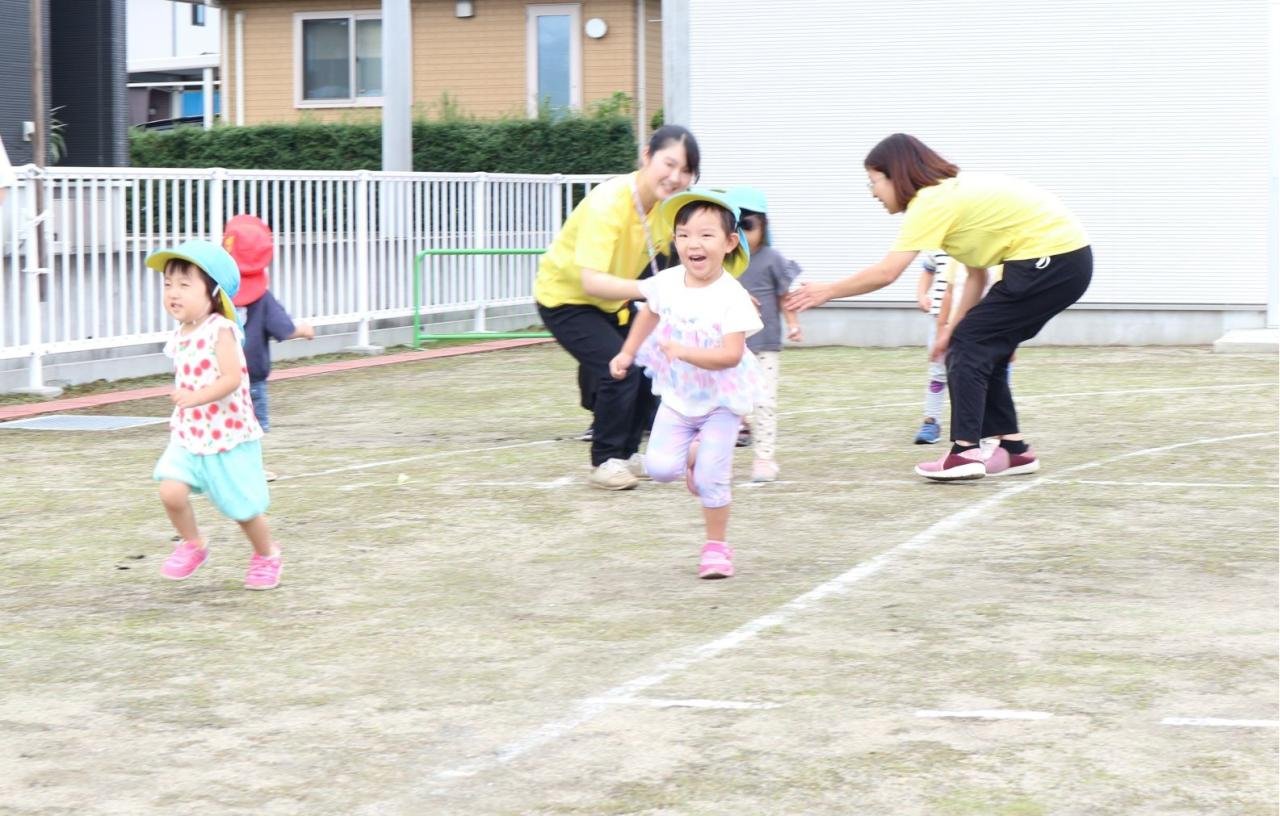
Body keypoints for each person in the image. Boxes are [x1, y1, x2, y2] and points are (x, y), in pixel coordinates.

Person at [786, 133, 1091, 481]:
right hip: (1063, 261)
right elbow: (976, 274)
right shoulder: (949, 198)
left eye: (874, 182)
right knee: (979, 344)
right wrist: (949, 330)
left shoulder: (930, 202)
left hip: (1051, 258)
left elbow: (888, 273)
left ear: (896, 175)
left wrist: (827, 291)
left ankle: (965, 452)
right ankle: (1013, 448)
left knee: (972, 344)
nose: (873, 193)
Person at [583, 188, 761, 579]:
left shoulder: (733, 296)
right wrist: (627, 353)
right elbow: (648, 314)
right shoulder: (666, 282)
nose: (692, 243)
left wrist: (682, 351)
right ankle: (693, 455)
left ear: (730, 242)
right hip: (679, 396)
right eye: (683, 234)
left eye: (705, 234)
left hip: (721, 400)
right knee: (661, 469)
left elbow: (731, 355)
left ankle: (716, 548)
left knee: (713, 477)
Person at [534, 125, 700, 490]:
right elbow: (591, 280)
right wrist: (649, 290)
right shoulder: (607, 202)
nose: (675, 177)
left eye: (685, 170)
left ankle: (626, 455)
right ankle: (604, 460)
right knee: (617, 367)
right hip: (565, 299)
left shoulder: (667, 210)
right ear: (646, 156)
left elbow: (682, 263)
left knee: (647, 365)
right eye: (668, 164)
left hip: (614, 302)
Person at [147, 240, 283, 590]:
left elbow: (233, 378)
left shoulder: (220, 331)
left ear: (213, 292)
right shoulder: (182, 333)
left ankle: (267, 554)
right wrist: (191, 404)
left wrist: (196, 397)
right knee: (170, 491)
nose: (173, 293)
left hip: (227, 434)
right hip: (191, 433)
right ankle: (194, 545)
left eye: (184, 284)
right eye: (167, 284)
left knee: (242, 509)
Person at [222, 215, 314, 480]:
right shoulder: (262, 299)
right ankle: (251, 469)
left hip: (219, 376)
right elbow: (283, 327)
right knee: (250, 428)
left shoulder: (216, 294)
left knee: (225, 422)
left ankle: (222, 468)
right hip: (252, 376)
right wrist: (304, 329)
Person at [727, 186, 803, 481]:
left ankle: (763, 459)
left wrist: (794, 324)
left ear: (764, 225)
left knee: (765, 402)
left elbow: (785, 296)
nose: (744, 233)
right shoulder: (725, 261)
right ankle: (720, 457)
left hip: (766, 344)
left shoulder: (772, 258)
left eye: (749, 225)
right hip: (730, 345)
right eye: (736, 225)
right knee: (730, 404)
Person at [913, 251, 951, 444]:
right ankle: (931, 421)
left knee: (976, 373)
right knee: (937, 372)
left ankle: (985, 424)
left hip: (974, 316)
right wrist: (921, 295)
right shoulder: (939, 245)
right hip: (938, 318)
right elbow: (928, 270)